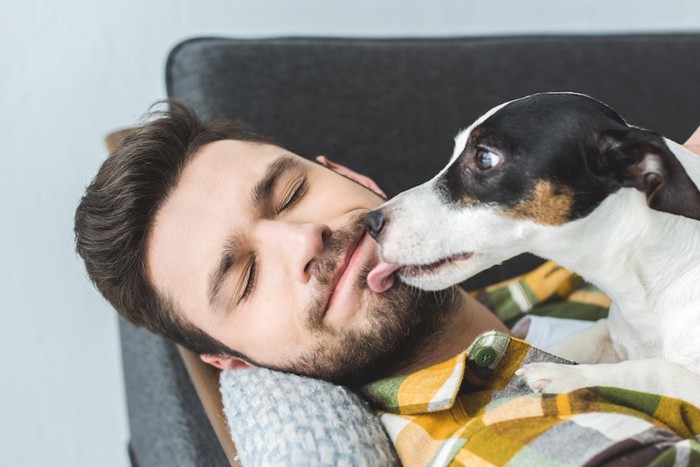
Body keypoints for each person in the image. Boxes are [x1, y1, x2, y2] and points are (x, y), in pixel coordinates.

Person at [75, 102, 700, 466]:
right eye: (246, 276)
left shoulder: (546, 273)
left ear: (349, 174)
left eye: (291, 194)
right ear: (232, 361)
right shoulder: (513, 444)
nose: (304, 240)